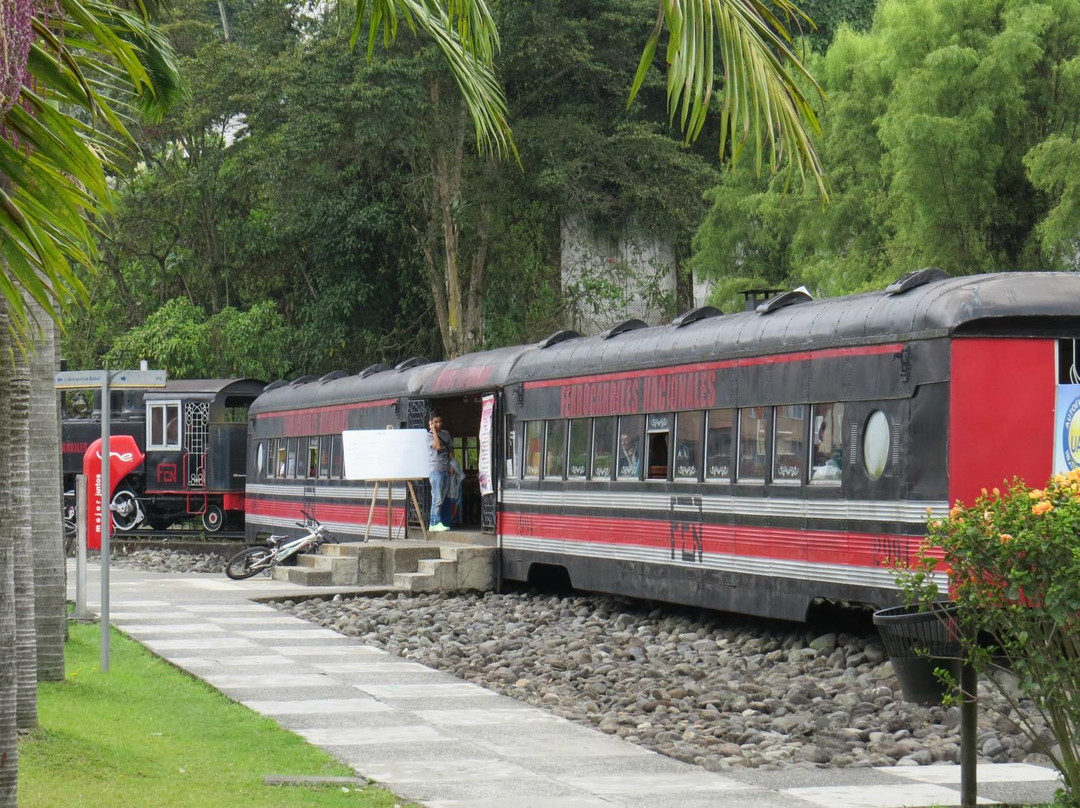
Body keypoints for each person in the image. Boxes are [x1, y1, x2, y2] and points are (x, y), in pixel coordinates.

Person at [427, 412, 455, 532]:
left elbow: (450, 450)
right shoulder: (428, 436)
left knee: (442, 497)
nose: (438, 424)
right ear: (431, 423)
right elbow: (437, 446)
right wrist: (433, 431)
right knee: (436, 498)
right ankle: (435, 522)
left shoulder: (446, 434)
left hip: (446, 469)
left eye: (440, 422)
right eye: (436, 422)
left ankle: (433, 524)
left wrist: (452, 464)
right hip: (436, 470)